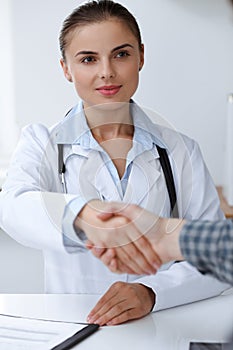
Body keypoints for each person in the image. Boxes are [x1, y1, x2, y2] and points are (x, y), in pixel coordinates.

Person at [0, 0, 229, 327]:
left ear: (141, 57)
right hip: (74, 326)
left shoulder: (180, 151)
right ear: (66, 68)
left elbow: (216, 257)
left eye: (121, 54)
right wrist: (83, 216)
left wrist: (150, 291)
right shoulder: (42, 142)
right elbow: (12, 207)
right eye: (88, 59)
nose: (106, 71)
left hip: (159, 327)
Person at [83, 201, 233, 285]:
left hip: (164, 318)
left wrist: (152, 290)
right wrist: (163, 235)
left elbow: (214, 271)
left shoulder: (182, 151)